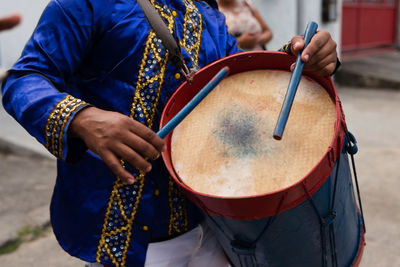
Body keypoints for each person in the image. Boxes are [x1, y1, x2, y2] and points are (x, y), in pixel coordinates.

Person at [1, 0, 338, 266]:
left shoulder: (206, 14)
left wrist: (297, 61)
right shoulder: (83, 4)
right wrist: (83, 118)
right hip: (125, 233)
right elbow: (23, 79)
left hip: (214, 222)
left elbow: (243, 84)